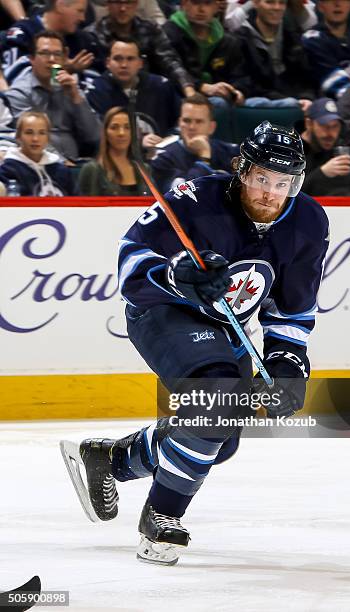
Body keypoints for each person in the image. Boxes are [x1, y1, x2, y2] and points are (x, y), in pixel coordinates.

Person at [61, 120, 329, 565]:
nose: (270, 193)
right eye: (262, 178)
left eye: (283, 183)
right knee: (218, 401)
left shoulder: (308, 221)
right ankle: (161, 519)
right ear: (241, 170)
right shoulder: (195, 199)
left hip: (229, 329)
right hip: (164, 313)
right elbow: (131, 257)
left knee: (220, 440)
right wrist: (173, 275)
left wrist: (287, 360)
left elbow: (293, 308)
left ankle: (112, 459)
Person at [4, 30, 101, 161]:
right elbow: (30, 140)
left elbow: (94, 136)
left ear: (64, 59)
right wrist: (61, 162)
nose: (51, 60)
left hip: (78, 163)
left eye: (57, 54)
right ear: (31, 59)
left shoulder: (70, 87)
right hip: (40, 163)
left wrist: (77, 98)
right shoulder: (19, 93)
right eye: (44, 53)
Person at [84, 0, 195, 96]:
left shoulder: (151, 30)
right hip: (107, 95)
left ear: (136, 4)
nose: (123, 8)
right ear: (108, 4)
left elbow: (170, 62)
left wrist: (188, 89)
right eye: (117, 2)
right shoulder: (92, 35)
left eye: (128, 2)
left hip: (148, 94)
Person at [86, 38, 180, 142]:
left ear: (140, 63)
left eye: (130, 59)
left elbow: (180, 123)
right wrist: (139, 144)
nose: (124, 65)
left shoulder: (161, 86)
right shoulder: (97, 91)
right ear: (108, 63)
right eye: (118, 59)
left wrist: (168, 141)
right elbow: (98, 136)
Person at [163, 0, 246, 106]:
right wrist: (202, 87)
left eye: (207, 3)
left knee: (262, 103)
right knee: (218, 103)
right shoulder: (169, 33)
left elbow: (240, 75)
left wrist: (237, 91)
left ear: (216, 7)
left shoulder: (228, 41)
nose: (201, 10)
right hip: (179, 96)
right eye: (195, 3)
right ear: (184, 4)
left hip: (222, 98)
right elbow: (170, 72)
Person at [150, 93, 239, 191]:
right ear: (180, 124)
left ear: (211, 127)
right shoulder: (163, 158)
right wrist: (204, 158)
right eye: (187, 121)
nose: (192, 127)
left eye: (199, 121)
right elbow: (183, 196)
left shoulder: (231, 153)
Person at [236, 0, 315, 109]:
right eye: (270, 2)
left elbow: (306, 79)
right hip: (260, 105)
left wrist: (307, 98)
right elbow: (247, 84)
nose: (277, 7)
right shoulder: (241, 39)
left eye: (281, 3)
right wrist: (287, 100)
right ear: (255, 3)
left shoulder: (292, 36)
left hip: (296, 103)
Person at [0, 0, 98, 85]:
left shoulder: (82, 40)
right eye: (79, 11)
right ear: (60, 5)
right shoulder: (23, 33)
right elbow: (16, 78)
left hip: (72, 104)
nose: (83, 18)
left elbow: (95, 80)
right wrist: (61, 70)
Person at [301, 0, 350, 99]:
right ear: (321, 6)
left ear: (349, 5)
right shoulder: (312, 39)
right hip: (326, 105)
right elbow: (333, 82)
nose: (337, 4)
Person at [0, 111, 77, 195]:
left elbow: (78, 202)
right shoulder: (7, 170)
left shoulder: (61, 171)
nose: (35, 139)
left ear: (48, 138)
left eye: (42, 133)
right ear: (18, 137)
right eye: (29, 133)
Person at [78, 105, 147, 195]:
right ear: (105, 132)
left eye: (127, 127)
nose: (121, 133)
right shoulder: (92, 170)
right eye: (114, 127)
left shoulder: (144, 169)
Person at [300, 96, 350, 196]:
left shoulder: (339, 149)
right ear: (309, 124)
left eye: (335, 126)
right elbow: (287, 196)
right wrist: (322, 173)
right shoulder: (291, 150)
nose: (330, 134)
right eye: (324, 126)